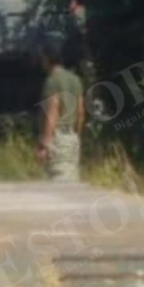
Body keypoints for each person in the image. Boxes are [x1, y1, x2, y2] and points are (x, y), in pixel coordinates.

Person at [36, 34, 85, 183]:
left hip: (57, 138)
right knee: (72, 179)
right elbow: (81, 112)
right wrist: (76, 134)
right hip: (72, 138)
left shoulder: (52, 81)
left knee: (58, 185)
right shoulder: (75, 79)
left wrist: (44, 144)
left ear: (47, 58)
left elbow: (53, 112)